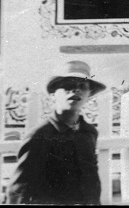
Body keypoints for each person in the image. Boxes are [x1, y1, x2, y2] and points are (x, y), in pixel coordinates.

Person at [6, 61, 107, 205]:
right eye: (68, 86)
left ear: (89, 94)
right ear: (53, 93)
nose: (76, 90)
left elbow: (92, 180)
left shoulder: (89, 132)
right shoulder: (41, 134)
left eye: (82, 86)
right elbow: (20, 189)